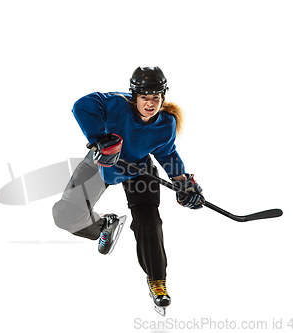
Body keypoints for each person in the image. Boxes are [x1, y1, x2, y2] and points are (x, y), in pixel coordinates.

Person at [52, 67, 204, 315]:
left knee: (149, 222)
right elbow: (82, 106)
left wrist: (184, 184)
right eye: (145, 96)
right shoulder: (115, 104)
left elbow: (167, 153)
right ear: (135, 96)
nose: (151, 103)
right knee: (66, 215)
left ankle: (157, 282)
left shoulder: (166, 123)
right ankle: (104, 226)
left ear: (163, 97)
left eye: (156, 97)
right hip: (102, 162)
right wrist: (100, 140)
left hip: (138, 169)